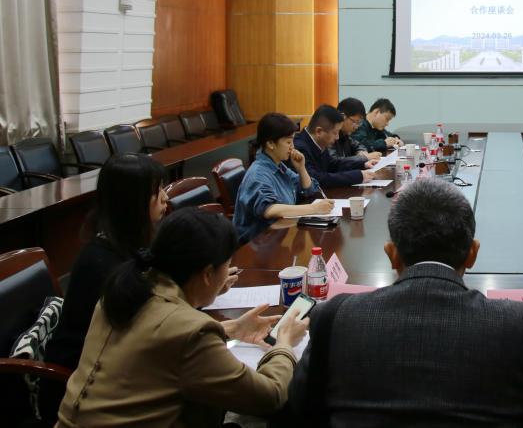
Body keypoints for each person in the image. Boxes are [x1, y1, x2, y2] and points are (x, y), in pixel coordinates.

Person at [288, 178, 523, 426]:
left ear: (391, 254)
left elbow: (299, 407)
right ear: (473, 254)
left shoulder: (336, 317)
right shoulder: (519, 325)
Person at [55, 208, 309, 427]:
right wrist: (284, 345)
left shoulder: (120, 294)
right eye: (227, 264)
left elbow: (155, 339)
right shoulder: (190, 332)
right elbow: (270, 396)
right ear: (207, 274)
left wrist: (229, 329)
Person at [41, 154, 173, 421]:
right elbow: (141, 333)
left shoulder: (129, 245)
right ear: (132, 201)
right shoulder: (102, 264)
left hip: (119, 367)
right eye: (156, 191)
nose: (165, 197)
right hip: (83, 388)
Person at [233, 112, 332, 243]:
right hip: (256, 244)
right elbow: (269, 209)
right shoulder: (258, 174)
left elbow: (308, 190)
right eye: (288, 142)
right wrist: (314, 209)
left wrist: (301, 168)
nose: (292, 147)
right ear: (270, 144)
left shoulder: (278, 166)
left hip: (277, 237)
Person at [294, 104, 376, 187]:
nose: (337, 137)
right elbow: (315, 178)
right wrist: (357, 176)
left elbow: (332, 164)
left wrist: (362, 164)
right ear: (319, 131)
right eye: (335, 133)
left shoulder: (319, 141)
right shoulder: (300, 147)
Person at [333, 97, 381, 161]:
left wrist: (362, 152)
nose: (357, 127)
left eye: (359, 123)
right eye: (355, 122)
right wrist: (363, 158)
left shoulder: (345, 136)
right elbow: (335, 162)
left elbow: (358, 145)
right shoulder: (331, 135)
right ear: (343, 117)